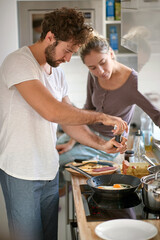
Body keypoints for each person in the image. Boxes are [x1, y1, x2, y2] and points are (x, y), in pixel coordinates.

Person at [0, 8, 128, 240]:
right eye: (67, 50)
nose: (69, 59)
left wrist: (101, 144)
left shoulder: (57, 73)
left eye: (73, 52)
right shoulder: (18, 62)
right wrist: (100, 116)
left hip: (48, 171)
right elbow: (52, 111)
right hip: (21, 174)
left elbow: (68, 120)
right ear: (50, 37)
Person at [56, 32, 160, 193]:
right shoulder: (93, 76)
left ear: (111, 54)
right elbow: (88, 109)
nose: (100, 71)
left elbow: (157, 116)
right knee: (50, 152)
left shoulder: (134, 82)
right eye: (92, 68)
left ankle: (60, 192)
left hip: (108, 144)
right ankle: (59, 193)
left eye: (103, 63)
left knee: (56, 159)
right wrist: (72, 140)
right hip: (85, 134)